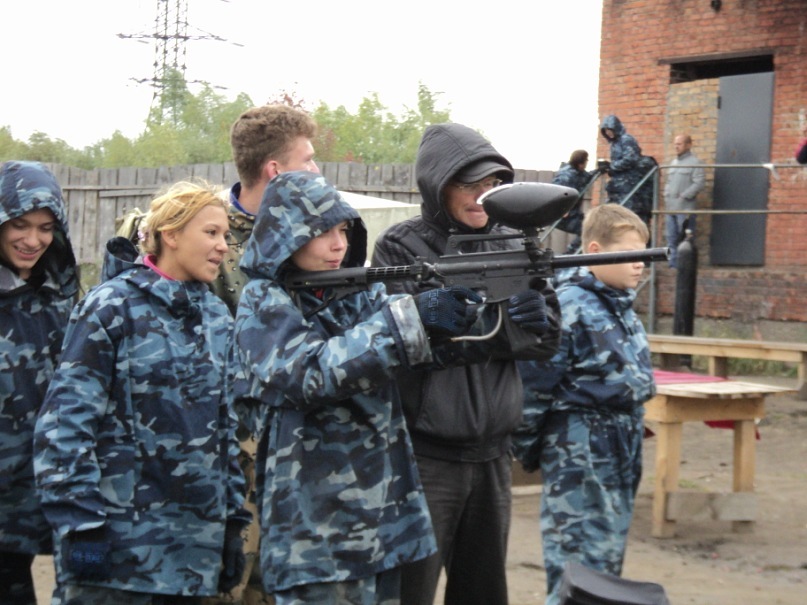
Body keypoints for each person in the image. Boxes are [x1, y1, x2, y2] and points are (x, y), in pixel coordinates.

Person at [233, 170, 553, 604]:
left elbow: (423, 347)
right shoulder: (264, 301)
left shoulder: (353, 292)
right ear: (286, 236)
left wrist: (502, 320)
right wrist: (414, 318)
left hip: (383, 518)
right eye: (322, 232)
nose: (338, 244)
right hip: (315, 526)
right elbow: (310, 373)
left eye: (343, 230)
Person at [115, 104, 318, 605]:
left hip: (294, 451)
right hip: (219, 455)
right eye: (308, 160)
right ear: (275, 170)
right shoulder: (201, 245)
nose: (317, 171)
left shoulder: (315, 240)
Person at [34, 181, 251, 604]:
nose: (223, 247)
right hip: (115, 560)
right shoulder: (111, 307)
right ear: (171, 234)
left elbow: (224, 434)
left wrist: (230, 524)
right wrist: (81, 527)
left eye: (225, 235)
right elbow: (64, 426)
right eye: (210, 232)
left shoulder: (216, 317)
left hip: (191, 560)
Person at [371, 123, 562, 605]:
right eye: (469, 185)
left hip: (494, 455)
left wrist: (526, 321)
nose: (482, 197)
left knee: (484, 592)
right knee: (409, 590)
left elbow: (547, 341)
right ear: (437, 187)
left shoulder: (513, 241)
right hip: (426, 459)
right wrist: (499, 325)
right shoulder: (400, 248)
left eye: (492, 185)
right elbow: (409, 345)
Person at [514, 203, 656, 605]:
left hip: (621, 441)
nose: (640, 264)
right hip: (583, 445)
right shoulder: (569, 305)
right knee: (578, 566)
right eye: (630, 254)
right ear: (595, 250)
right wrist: (532, 448)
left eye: (644, 253)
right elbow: (534, 386)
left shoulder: (618, 303)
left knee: (606, 563)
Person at [0, 161, 79, 605]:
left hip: (45, 497)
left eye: (46, 228)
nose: (33, 240)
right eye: (20, 225)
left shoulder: (62, 300)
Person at [599, 115, 657, 228]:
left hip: (630, 185)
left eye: (609, 130)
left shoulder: (626, 139)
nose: (608, 133)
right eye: (606, 131)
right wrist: (607, 167)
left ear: (615, 128)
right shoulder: (614, 144)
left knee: (631, 217)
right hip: (619, 187)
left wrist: (612, 166)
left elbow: (631, 159)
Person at [662, 134, 705, 268]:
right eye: (675, 144)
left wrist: (684, 195)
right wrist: (666, 194)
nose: (676, 146)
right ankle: (673, 266)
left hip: (685, 208)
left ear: (688, 145)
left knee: (686, 238)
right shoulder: (673, 163)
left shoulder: (695, 163)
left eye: (679, 144)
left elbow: (699, 183)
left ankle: (685, 268)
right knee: (671, 238)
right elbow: (669, 182)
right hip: (671, 208)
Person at [551, 149, 602, 253]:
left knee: (592, 226)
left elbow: (586, 177)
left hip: (573, 214)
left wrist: (599, 170)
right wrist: (562, 209)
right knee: (589, 229)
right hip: (561, 215)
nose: (587, 163)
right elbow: (556, 193)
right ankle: (570, 254)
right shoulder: (566, 176)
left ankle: (573, 253)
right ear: (581, 163)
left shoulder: (578, 172)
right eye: (586, 160)